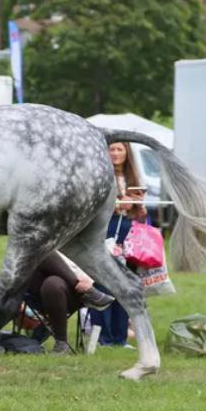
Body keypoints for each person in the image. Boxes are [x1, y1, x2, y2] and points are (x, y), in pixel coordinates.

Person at [89, 141, 148, 348]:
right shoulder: (99, 175)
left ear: (127, 153)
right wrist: (116, 206)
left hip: (128, 235)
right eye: (111, 149)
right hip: (105, 232)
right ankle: (101, 336)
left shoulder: (134, 179)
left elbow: (139, 215)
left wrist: (139, 207)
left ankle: (120, 337)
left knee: (125, 285)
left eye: (119, 149)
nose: (115, 153)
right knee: (104, 283)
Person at [23, 251, 115, 355]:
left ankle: (61, 343)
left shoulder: (79, 244)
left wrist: (88, 281)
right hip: (37, 294)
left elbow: (90, 271)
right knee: (44, 251)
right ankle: (92, 293)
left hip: (70, 294)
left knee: (52, 283)